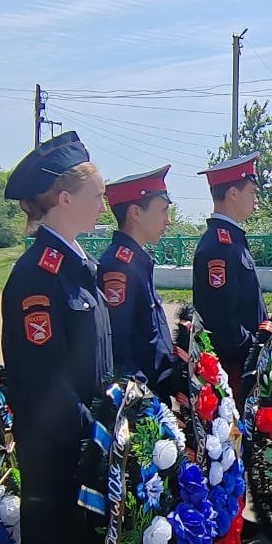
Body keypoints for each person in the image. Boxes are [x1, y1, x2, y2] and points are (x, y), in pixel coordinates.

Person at [0, 131, 120, 544]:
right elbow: (47, 381)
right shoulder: (39, 275)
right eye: (96, 193)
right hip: (58, 446)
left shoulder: (74, 264)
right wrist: (95, 437)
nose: (104, 204)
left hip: (84, 441)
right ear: (64, 198)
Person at [192, 153, 268, 407]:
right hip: (235, 366)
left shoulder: (231, 239)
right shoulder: (219, 246)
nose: (256, 200)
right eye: (252, 192)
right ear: (233, 193)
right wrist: (254, 347)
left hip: (244, 361)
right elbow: (221, 319)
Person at [96, 166, 176, 400]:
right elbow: (120, 351)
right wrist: (145, 404)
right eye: (162, 211)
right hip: (143, 400)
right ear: (136, 213)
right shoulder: (118, 268)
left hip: (155, 391)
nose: (168, 221)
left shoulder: (135, 261)